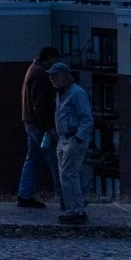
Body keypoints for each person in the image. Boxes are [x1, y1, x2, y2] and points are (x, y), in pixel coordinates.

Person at [16, 45, 60, 208]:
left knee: (33, 157)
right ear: (49, 58)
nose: (56, 63)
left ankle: (24, 194)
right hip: (39, 125)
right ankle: (64, 198)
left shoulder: (32, 69)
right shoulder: (41, 74)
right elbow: (40, 105)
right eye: (55, 59)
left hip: (30, 122)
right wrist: (49, 127)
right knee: (54, 159)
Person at [49, 60, 92, 225]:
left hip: (73, 138)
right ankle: (75, 206)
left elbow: (86, 118)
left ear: (65, 76)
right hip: (63, 138)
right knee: (65, 175)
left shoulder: (77, 93)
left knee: (68, 174)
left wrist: (79, 137)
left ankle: (76, 210)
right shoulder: (62, 93)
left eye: (55, 76)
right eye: (51, 77)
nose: (52, 79)